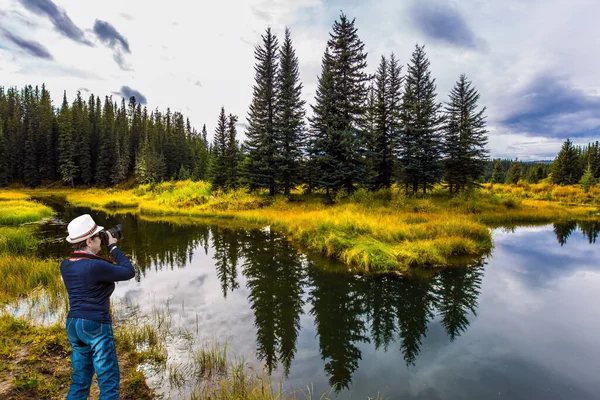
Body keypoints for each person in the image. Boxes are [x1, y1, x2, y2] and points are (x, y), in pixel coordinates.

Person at [61, 214, 136, 399]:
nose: (101, 240)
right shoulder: (95, 266)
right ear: (88, 241)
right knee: (108, 380)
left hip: (73, 325)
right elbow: (129, 271)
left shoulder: (65, 265)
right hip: (95, 325)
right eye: (98, 236)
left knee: (80, 380)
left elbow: (87, 265)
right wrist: (113, 246)